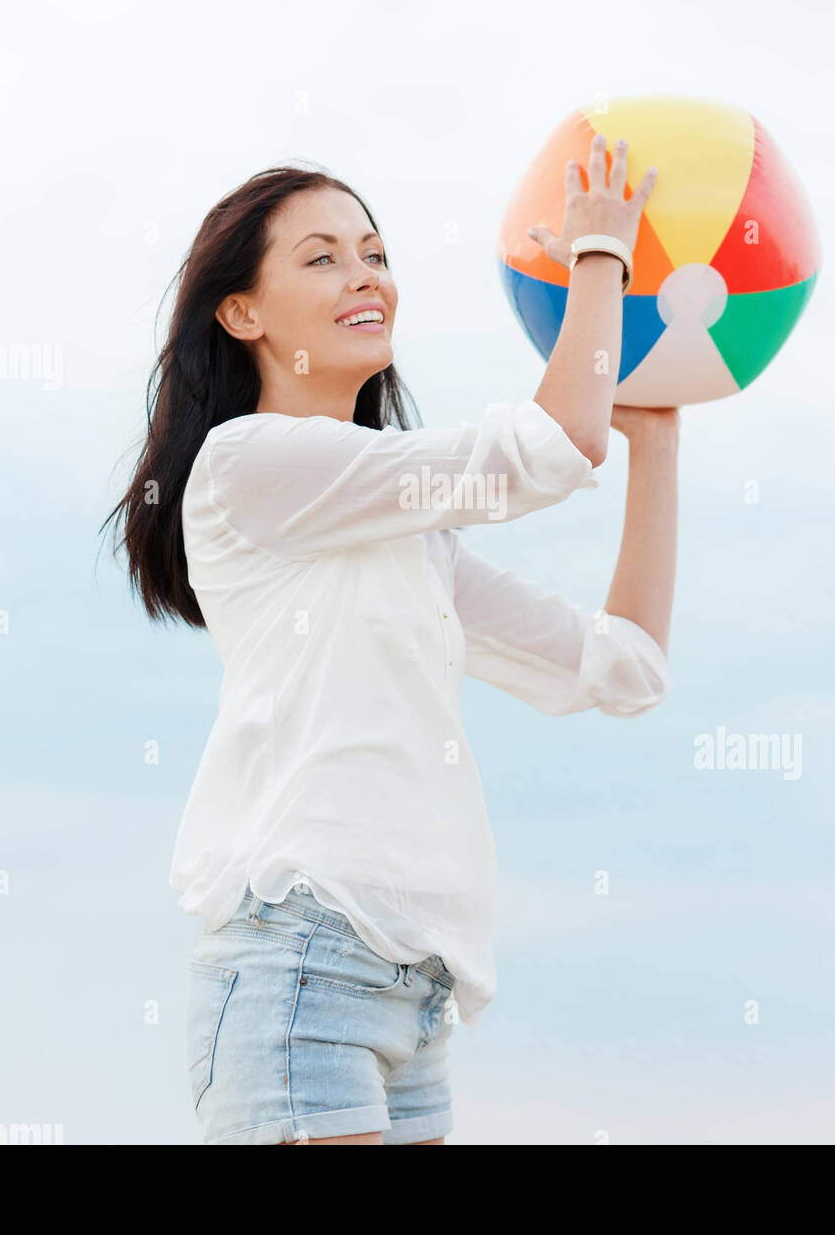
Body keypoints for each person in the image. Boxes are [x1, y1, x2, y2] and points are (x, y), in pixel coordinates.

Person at [105, 132, 679, 1145]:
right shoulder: (247, 465)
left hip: (413, 993)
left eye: (374, 252)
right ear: (240, 313)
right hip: (301, 968)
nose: (364, 275)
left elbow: (621, 667)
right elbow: (544, 451)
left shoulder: (411, 537)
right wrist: (602, 253)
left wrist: (658, 444)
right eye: (321, 256)